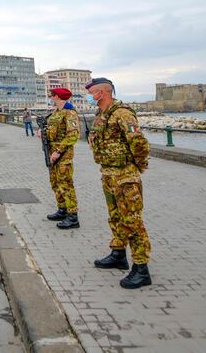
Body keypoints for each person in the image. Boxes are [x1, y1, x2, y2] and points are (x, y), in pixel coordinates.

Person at [85, 77, 152, 289]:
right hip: (108, 173)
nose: (89, 95)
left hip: (125, 176)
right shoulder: (100, 115)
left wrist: (137, 168)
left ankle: (141, 269)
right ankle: (118, 253)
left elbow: (139, 142)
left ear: (102, 93)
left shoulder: (122, 113)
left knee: (132, 221)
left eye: (91, 92)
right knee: (115, 216)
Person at [43, 88, 81, 229]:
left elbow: (73, 134)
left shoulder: (69, 112)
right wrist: (43, 132)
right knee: (55, 182)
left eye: (52, 95)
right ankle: (62, 209)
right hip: (52, 151)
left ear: (58, 96)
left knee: (65, 184)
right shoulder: (55, 112)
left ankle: (73, 217)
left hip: (63, 154)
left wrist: (58, 151)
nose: (50, 97)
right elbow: (51, 129)